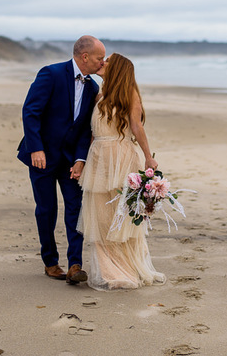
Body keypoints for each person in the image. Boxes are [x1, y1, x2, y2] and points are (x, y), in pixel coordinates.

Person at [17, 35, 106, 284]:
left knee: (75, 209)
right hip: (41, 157)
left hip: (70, 160)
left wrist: (80, 159)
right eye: (100, 58)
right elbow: (30, 112)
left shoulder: (92, 88)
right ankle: (51, 262)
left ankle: (75, 265)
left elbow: (85, 129)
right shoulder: (51, 73)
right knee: (46, 210)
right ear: (85, 56)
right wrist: (36, 149)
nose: (102, 62)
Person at [77, 53, 167, 291]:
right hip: (98, 157)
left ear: (116, 68)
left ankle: (126, 268)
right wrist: (81, 160)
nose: (102, 63)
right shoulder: (99, 94)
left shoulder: (129, 93)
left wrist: (148, 156)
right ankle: (109, 271)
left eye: (107, 61)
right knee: (100, 215)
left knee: (122, 215)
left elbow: (137, 126)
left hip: (121, 156)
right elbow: (93, 132)